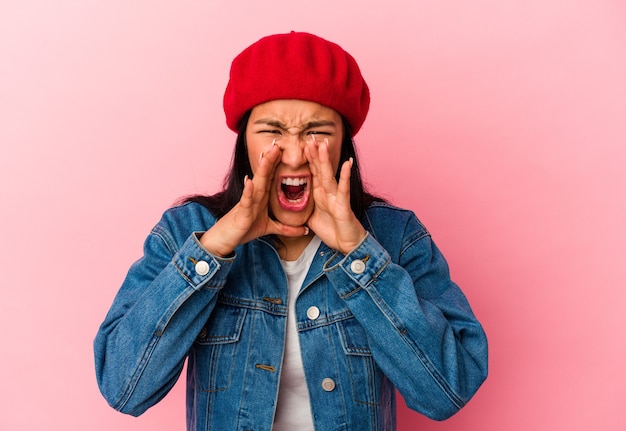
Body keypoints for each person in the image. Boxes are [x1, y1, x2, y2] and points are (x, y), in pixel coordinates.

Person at [94, 31, 488, 431]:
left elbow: (448, 391)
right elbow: (124, 387)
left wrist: (359, 253)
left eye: (317, 131)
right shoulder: (188, 231)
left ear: (344, 145)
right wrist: (213, 249)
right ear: (244, 139)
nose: (296, 154)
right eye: (273, 130)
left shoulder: (396, 236)